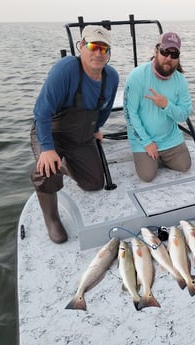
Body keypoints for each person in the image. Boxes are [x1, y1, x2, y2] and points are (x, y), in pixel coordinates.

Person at [30, 25, 119, 243]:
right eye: (92, 46)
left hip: (81, 137)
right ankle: (52, 219)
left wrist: (96, 128)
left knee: (94, 183)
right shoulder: (66, 69)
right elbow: (42, 111)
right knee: (47, 170)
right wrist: (48, 149)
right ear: (81, 46)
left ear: (109, 53)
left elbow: (104, 109)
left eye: (104, 48)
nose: (98, 53)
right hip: (53, 132)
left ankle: (65, 163)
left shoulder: (111, 77)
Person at [123, 32, 192, 182]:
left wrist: (166, 105)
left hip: (170, 138)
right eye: (164, 52)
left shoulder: (181, 81)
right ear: (156, 51)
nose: (168, 58)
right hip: (144, 140)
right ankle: (147, 157)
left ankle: (159, 157)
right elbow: (129, 114)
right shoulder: (136, 76)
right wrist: (147, 143)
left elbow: (184, 114)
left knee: (185, 166)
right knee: (147, 176)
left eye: (174, 55)